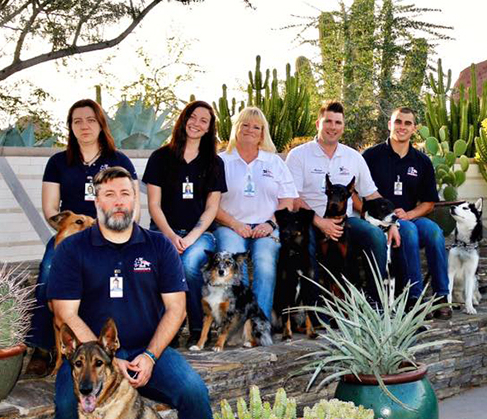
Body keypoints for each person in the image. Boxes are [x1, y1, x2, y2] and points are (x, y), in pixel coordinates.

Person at [45, 166, 215, 419]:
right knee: (68, 404)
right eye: (109, 195)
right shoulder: (74, 249)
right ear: (96, 201)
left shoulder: (157, 247)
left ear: (135, 199)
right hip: (94, 356)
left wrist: (151, 356)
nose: (117, 202)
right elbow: (67, 312)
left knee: (193, 393)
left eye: (125, 194)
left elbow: (175, 309)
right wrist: (106, 359)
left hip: (148, 351)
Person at [25, 99, 140, 376]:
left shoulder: (119, 161)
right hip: (71, 234)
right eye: (77, 121)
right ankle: (42, 347)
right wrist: (73, 228)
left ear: (101, 124)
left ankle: (119, 343)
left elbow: (132, 207)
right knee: (48, 271)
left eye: (90, 120)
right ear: (70, 127)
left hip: (109, 234)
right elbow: (51, 209)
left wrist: (112, 232)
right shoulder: (58, 162)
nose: (84, 126)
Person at [285, 100, 400, 292]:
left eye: (338, 122)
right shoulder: (298, 155)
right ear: (318, 124)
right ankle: (318, 314)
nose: (333, 127)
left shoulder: (353, 157)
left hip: (345, 221)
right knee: (306, 245)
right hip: (309, 221)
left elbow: (371, 195)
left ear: (343, 126)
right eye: (328, 121)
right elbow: (293, 199)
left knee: (375, 236)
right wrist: (320, 222)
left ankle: (375, 299)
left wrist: (392, 223)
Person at [143, 100, 227, 346]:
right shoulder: (160, 157)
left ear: (209, 128)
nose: (197, 123)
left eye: (204, 120)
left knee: (190, 264)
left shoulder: (214, 162)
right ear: (184, 119)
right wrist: (170, 234)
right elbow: (154, 205)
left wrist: (190, 238)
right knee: (165, 266)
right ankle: (169, 327)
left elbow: (212, 207)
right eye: (193, 117)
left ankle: (197, 327)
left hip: (199, 234)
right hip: (162, 231)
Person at [362, 107, 452, 318]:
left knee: (435, 232)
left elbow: (429, 203)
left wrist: (409, 214)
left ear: (414, 129)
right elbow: (357, 193)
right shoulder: (371, 156)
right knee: (409, 231)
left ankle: (441, 297)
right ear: (389, 124)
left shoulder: (422, 162)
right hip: (381, 222)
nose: (402, 127)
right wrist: (378, 217)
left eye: (407, 123)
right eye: (398, 122)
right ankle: (413, 298)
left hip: (409, 216)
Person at [215, 107, 297, 320]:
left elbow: (287, 199)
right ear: (236, 128)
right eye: (245, 125)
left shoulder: (274, 162)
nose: (250, 130)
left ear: (263, 133)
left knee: (265, 261)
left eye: (256, 127)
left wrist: (270, 224)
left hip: (267, 226)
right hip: (230, 226)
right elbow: (211, 204)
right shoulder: (221, 162)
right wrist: (235, 224)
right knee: (233, 262)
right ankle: (238, 321)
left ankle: (260, 324)